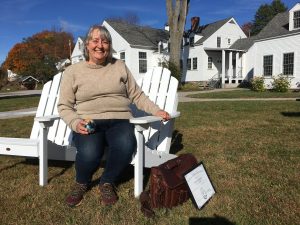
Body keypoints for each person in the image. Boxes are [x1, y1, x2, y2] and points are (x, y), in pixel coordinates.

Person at [57, 24, 170, 207]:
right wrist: (75, 122)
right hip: (88, 120)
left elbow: (137, 95)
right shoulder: (73, 72)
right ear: (87, 45)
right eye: (95, 40)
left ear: (109, 45)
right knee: (90, 152)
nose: (100, 45)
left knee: (126, 144)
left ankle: (107, 182)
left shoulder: (119, 66)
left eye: (105, 41)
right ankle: (81, 182)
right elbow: (64, 106)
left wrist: (156, 110)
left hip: (119, 119)